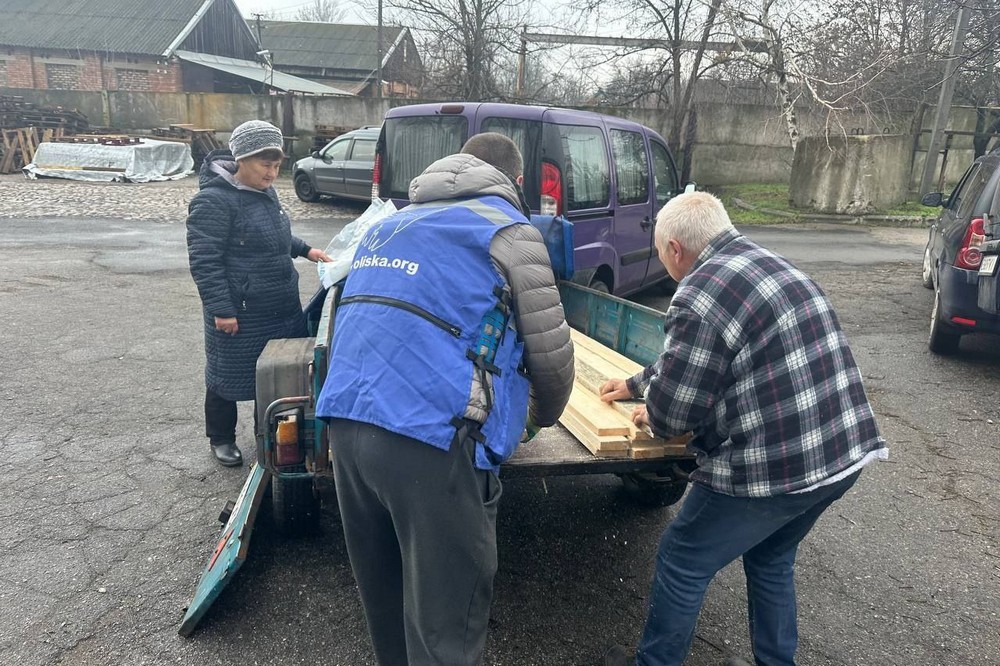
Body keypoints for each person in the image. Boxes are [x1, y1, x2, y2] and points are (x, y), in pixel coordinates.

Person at [316, 132, 574, 665]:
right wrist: (537, 419)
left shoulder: (384, 227)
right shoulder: (512, 233)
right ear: (516, 181)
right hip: (433, 441)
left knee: (385, 604)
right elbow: (551, 360)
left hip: (345, 421)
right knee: (445, 631)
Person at [599, 192, 887, 666]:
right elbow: (697, 360)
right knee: (771, 557)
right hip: (843, 453)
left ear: (674, 249)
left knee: (682, 559)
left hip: (778, 466)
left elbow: (674, 414)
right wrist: (635, 382)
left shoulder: (698, 292)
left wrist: (650, 408)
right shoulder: (773, 266)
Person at [186, 120, 330, 467]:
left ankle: (268, 434)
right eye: (265, 164)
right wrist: (222, 309)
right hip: (240, 309)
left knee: (279, 375)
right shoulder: (213, 201)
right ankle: (220, 437)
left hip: (279, 305)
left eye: (277, 164)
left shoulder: (266, 193)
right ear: (242, 159)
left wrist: (305, 249)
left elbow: (274, 236)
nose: (272, 172)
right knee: (227, 377)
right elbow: (205, 261)